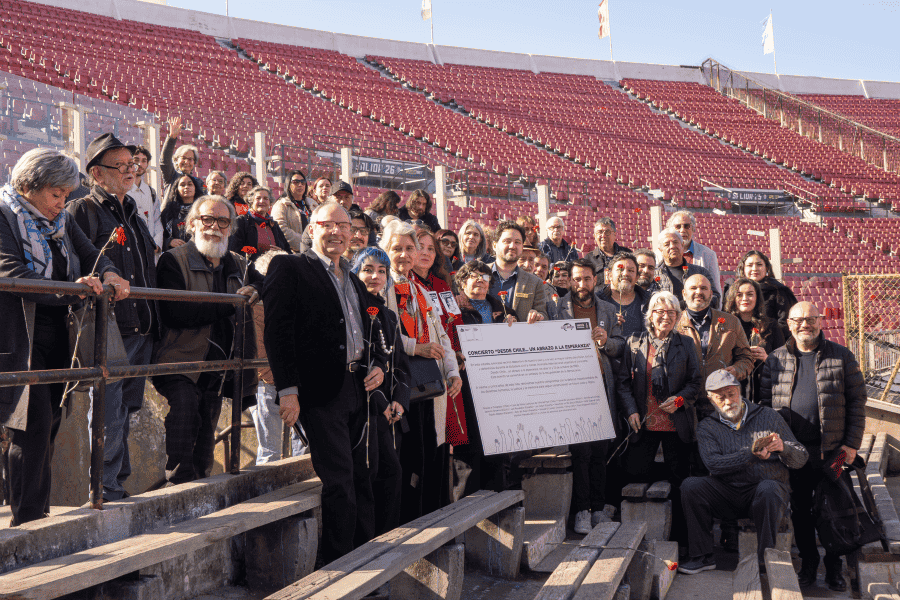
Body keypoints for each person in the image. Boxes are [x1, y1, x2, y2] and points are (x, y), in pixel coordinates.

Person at [1, 148, 129, 525]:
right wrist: (69, 289)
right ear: (28, 186)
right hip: (18, 335)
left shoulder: (60, 221)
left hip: (58, 330)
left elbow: (92, 254)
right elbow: (11, 273)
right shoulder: (4, 215)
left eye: (66, 194)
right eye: (56, 194)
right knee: (31, 425)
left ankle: (34, 512)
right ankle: (26, 521)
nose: (62, 202)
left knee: (49, 425)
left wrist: (108, 273)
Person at [262, 201, 389, 563]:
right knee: (340, 483)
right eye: (327, 224)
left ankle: (366, 557)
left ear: (352, 234)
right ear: (312, 229)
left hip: (358, 389)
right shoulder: (289, 267)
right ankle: (340, 563)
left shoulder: (352, 277)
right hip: (320, 391)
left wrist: (377, 363)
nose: (336, 232)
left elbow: (374, 326)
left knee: (365, 477)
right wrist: (288, 391)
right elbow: (277, 333)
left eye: (344, 226)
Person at [67, 133, 158, 503]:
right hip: (109, 326)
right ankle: (104, 486)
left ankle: (117, 479)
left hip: (141, 326)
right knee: (109, 408)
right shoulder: (83, 210)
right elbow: (80, 260)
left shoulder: (133, 212)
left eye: (132, 165)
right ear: (96, 173)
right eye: (120, 166)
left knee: (128, 406)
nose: (129, 171)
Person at [153, 195, 261, 485]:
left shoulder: (238, 262)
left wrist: (254, 287)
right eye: (207, 219)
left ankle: (199, 487)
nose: (214, 227)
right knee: (185, 411)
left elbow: (266, 279)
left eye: (222, 221)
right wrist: (231, 303)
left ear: (231, 228)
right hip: (179, 359)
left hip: (218, 365)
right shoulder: (172, 260)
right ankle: (177, 484)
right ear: (191, 224)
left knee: (205, 438)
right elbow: (177, 314)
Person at [760, 302, 866, 591]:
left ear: (820, 322)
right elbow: (765, 406)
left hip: (832, 451)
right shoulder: (775, 359)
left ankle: (834, 566)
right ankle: (808, 562)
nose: (804, 324)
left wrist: (851, 445)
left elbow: (857, 402)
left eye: (810, 319)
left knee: (834, 510)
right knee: (801, 511)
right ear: (789, 324)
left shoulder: (841, 355)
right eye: (798, 320)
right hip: (793, 454)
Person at [678, 370, 808, 574]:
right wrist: (751, 454)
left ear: (740, 391)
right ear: (712, 400)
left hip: (765, 493)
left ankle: (765, 558)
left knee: (769, 488)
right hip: (728, 493)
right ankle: (702, 556)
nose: (728, 401)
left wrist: (784, 448)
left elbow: (801, 458)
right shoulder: (706, 427)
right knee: (691, 486)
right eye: (721, 397)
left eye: (731, 394)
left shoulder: (768, 416)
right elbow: (714, 464)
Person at [380, 219, 462, 522]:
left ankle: (428, 522)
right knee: (407, 461)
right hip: (401, 387)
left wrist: (453, 372)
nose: (403, 255)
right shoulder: (385, 284)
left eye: (409, 248)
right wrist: (416, 346)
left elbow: (442, 337)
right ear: (385, 250)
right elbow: (382, 333)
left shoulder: (420, 289)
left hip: (431, 386)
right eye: (396, 248)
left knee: (428, 458)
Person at [616, 290, 703, 549]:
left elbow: (695, 382)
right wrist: (631, 410)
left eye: (671, 312)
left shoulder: (686, 344)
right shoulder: (634, 342)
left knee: (679, 484)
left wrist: (679, 401)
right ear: (650, 315)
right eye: (660, 311)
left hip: (676, 426)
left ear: (678, 316)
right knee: (636, 475)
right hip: (644, 424)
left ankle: (679, 540)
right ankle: (637, 537)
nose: (665, 317)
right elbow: (622, 384)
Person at [556, 258, 625, 534]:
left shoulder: (607, 309)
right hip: (571, 390)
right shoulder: (556, 307)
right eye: (576, 279)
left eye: (586, 279)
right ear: (569, 280)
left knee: (599, 452)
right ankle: (581, 510)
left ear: (595, 280)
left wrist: (606, 341)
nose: (581, 284)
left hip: (600, 389)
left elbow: (621, 346)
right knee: (580, 452)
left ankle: (597, 509)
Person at [351, 246, 409, 535]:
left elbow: (400, 364)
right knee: (368, 475)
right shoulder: (352, 312)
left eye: (381, 271)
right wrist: (381, 402)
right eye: (367, 269)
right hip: (363, 410)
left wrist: (399, 400)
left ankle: (388, 540)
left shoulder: (388, 314)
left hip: (387, 413)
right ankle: (367, 546)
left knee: (392, 474)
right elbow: (359, 365)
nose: (375, 276)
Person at [451, 260, 515, 497]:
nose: (480, 280)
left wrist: (517, 325)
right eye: (474, 276)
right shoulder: (453, 308)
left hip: (498, 386)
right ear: (461, 281)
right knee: (470, 449)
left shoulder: (504, 309)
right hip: (466, 387)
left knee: (497, 446)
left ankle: (496, 506)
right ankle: (467, 509)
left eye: (485, 277)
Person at [410, 229, 466, 452]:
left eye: (431, 248)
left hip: (450, 363)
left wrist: (459, 351)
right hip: (423, 365)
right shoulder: (405, 283)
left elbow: (455, 321)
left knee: (452, 428)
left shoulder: (442, 284)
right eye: (420, 247)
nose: (425, 253)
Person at [677, 273, 754, 426]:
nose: (698, 292)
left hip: (722, 402)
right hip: (686, 404)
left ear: (711, 294)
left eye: (704, 288)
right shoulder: (674, 323)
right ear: (684, 294)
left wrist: (736, 370)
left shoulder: (731, 322)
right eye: (693, 288)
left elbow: (747, 358)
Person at [722, 277, 784, 404]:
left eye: (750, 294)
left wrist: (766, 358)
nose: (745, 298)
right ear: (733, 298)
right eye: (739, 295)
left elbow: (784, 361)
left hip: (764, 392)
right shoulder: (724, 326)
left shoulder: (771, 326)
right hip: (732, 391)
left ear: (757, 298)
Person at [488, 221, 548, 323]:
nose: (512, 246)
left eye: (517, 242)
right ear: (494, 245)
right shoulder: (477, 274)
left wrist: (538, 316)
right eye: (507, 241)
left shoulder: (535, 283)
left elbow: (543, 315)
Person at [737, 250, 797, 342]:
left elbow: (786, 324)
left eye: (759, 265)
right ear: (743, 269)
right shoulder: (734, 291)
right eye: (750, 265)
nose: (754, 269)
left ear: (767, 268)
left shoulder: (779, 291)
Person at [654, 228, 718, 309]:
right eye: (667, 244)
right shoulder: (654, 274)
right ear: (660, 250)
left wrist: (693, 306)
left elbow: (715, 297)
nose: (672, 246)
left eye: (675, 242)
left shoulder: (700, 272)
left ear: (682, 245)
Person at [664, 210, 721, 297]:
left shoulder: (708, 255)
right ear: (670, 230)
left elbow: (716, 290)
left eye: (687, 226)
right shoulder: (658, 255)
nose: (682, 230)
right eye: (678, 226)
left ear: (693, 229)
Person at [228, 186, 291, 261]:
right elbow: (234, 251)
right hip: (251, 269)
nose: (262, 201)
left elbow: (288, 250)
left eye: (266, 198)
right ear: (251, 202)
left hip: (276, 268)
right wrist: (265, 256)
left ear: (270, 203)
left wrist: (280, 253)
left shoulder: (274, 225)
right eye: (258, 198)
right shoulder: (241, 222)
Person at [598, 252, 650, 338]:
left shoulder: (649, 302)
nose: (625, 273)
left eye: (631, 270)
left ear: (637, 277)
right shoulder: (596, 301)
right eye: (620, 269)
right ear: (609, 275)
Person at [160, 116, 205, 201]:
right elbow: (164, 161)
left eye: (190, 159)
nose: (186, 162)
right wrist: (172, 137)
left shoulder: (199, 182)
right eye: (183, 158)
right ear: (176, 160)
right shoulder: (171, 176)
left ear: (194, 162)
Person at [129, 145, 163, 253]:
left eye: (144, 161)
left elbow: (157, 220)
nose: (140, 164)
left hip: (150, 252)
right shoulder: (122, 191)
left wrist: (156, 244)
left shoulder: (151, 192)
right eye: (136, 160)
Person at [270, 169, 309, 252]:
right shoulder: (281, 204)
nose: (300, 185)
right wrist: (305, 243)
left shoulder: (312, 203)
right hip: (293, 253)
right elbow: (280, 228)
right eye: (296, 182)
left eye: (303, 182)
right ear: (288, 184)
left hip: (314, 251)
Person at [160, 174, 200, 250]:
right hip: (175, 255)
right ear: (177, 189)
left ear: (195, 188)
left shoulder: (202, 210)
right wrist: (169, 242)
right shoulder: (168, 212)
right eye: (182, 185)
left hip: (198, 254)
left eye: (190, 184)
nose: (186, 187)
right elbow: (159, 235)